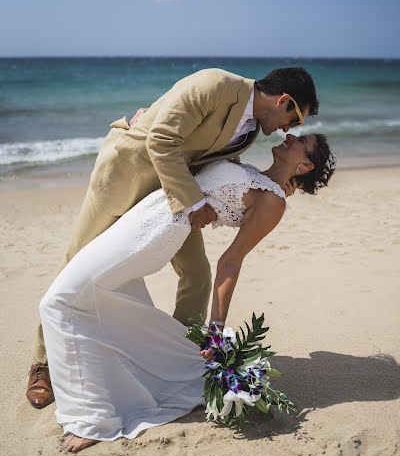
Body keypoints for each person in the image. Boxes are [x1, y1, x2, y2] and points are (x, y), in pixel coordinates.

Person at [27, 67, 320, 409]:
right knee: (74, 262)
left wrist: (280, 184)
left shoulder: (250, 129)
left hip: (171, 203)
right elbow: (161, 139)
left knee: (197, 275)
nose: (289, 129)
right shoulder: (214, 85)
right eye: (294, 119)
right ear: (283, 100)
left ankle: (182, 363)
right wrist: (196, 202)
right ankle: (42, 365)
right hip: (128, 176)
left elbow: (216, 162)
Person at [39, 132, 336, 453]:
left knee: (59, 301)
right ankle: (118, 383)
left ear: (305, 164)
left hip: (158, 230)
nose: (289, 135)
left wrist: (217, 331)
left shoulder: (273, 201)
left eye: (299, 140)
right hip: (150, 211)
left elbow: (230, 262)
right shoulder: (254, 174)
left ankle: (94, 420)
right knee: (102, 298)